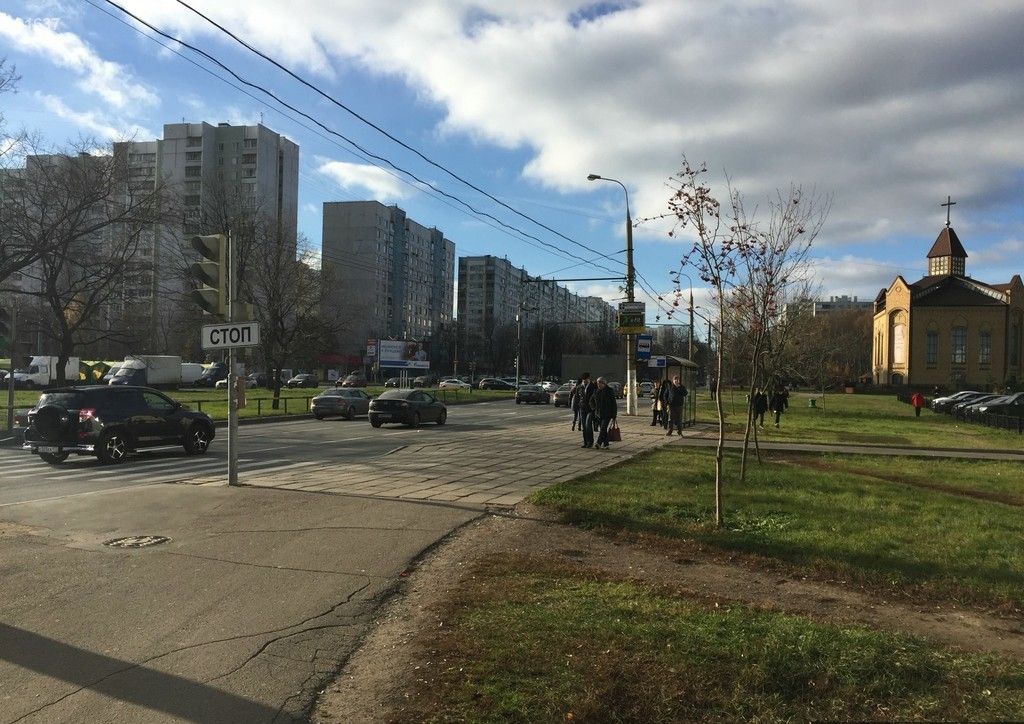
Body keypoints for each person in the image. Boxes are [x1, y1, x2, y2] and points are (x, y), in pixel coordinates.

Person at [590, 376, 618, 449]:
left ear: (604, 383)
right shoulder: (596, 391)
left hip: (607, 414)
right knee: (604, 430)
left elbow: (613, 403)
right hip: (598, 414)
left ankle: (598, 443)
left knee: (603, 428)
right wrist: (594, 408)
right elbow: (591, 401)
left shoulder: (609, 391)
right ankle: (606, 444)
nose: (598, 385)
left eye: (600, 383)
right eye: (598, 383)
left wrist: (614, 414)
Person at [578, 373, 596, 448]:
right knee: (584, 426)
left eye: (586, 380)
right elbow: (577, 397)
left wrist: (595, 408)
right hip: (582, 408)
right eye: (584, 380)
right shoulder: (580, 387)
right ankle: (585, 442)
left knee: (588, 425)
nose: (585, 381)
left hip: (590, 409)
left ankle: (590, 442)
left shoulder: (592, 386)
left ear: (589, 379)